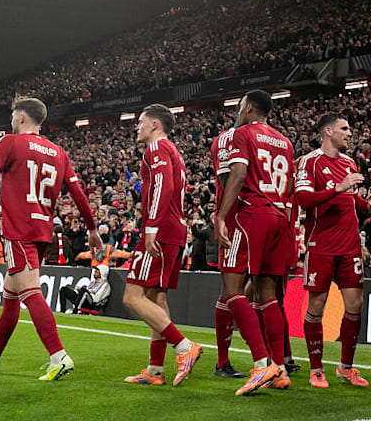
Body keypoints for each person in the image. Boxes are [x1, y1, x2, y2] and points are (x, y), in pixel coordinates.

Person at [0, 96, 100, 381]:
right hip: (43, 231)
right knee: (11, 295)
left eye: (12, 115)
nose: (11, 120)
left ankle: (59, 356)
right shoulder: (59, 152)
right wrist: (92, 229)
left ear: (21, 117)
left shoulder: (10, 143)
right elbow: (79, 195)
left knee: (30, 292)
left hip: (19, 230)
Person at [216, 90, 296, 395]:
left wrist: (222, 216)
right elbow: (289, 184)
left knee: (232, 290)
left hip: (253, 215)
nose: (238, 112)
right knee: (268, 295)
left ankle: (262, 364)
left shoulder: (242, 133)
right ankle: (280, 369)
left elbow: (238, 174)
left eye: (239, 107)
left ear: (248, 107)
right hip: (279, 216)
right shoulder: (285, 142)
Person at [295, 112, 371, 389]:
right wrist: (337, 187)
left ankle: (346, 367)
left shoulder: (348, 162)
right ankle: (316, 369)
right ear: (328, 131)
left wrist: (368, 205)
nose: (349, 133)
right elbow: (303, 199)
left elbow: (351, 197)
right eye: (344, 129)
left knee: (355, 306)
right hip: (321, 245)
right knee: (317, 307)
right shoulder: (309, 162)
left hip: (350, 246)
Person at [121, 104, 203, 387]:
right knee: (156, 298)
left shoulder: (156, 148)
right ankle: (155, 369)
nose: (137, 127)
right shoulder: (172, 151)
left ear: (155, 125)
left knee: (132, 297)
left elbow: (163, 186)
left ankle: (185, 347)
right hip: (175, 230)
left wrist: (151, 227)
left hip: (162, 230)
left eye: (141, 122)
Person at [208, 125, 247, 380]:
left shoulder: (269, 138)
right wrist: (223, 216)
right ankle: (224, 361)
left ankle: (277, 357)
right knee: (231, 291)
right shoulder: (228, 139)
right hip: (236, 222)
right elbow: (227, 180)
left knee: (265, 289)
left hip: (259, 221)